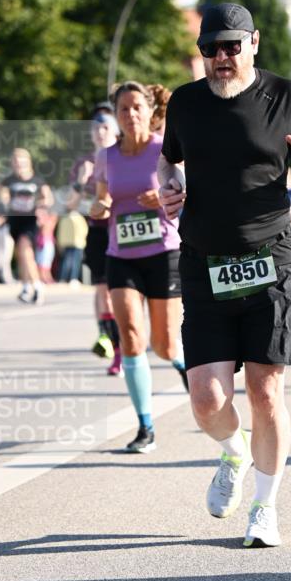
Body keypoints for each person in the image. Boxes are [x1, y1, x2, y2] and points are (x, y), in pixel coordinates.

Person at [159, 2, 291, 547]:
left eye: (231, 46)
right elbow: (169, 159)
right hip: (205, 265)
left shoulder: (286, 96)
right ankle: (233, 451)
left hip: (271, 263)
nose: (221, 57)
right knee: (206, 399)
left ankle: (265, 508)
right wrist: (170, 185)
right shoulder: (186, 103)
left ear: (254, 43)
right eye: (211, 48)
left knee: (266, 393)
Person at [90, 80, 187, 452]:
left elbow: (187, 194)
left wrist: (161, 199)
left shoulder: (165, 150)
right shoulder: (106, 157)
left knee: (164, 345)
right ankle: (145, 427)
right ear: (116, 116)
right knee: (130, 336)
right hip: (121, 256)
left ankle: (182, 364)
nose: (130, 114)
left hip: (163, 253)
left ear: (150, 111)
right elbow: (101, 201)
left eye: (136, 107)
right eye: (123, 109)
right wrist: (99, 207)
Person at [74, 110, 124, 373]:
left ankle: (125, 342)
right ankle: (114, 347)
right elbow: (70, 204)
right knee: (103, 292)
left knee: (123, 294)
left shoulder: (126, 156)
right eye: (95, 127)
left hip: (125, 230)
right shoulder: (84, 163)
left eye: (105, 126)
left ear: (115, 131)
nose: (100, 131)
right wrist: (82, 181)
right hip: (98, 233)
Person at [0, 148, 54, 303]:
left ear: (28, 163)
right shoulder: (9, 181)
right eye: (16, 162)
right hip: (14, 221)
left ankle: (37, 286)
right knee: (21, 253)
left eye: (22, 162)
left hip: (30, 221)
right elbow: (1, 196)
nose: (19, 165)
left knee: (25, 250)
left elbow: (48, 198)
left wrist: (41, 206)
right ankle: (25, 286)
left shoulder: (37, 180)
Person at [56, 197, 88, 284]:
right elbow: (84, 230)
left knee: (66, 262)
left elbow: (60, 231)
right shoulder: (78, 217)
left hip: (67, 243)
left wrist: (60, 243)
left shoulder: (64, 218)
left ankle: (63, 278)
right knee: (74, 262)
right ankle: (72, 279)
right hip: (77, 243)